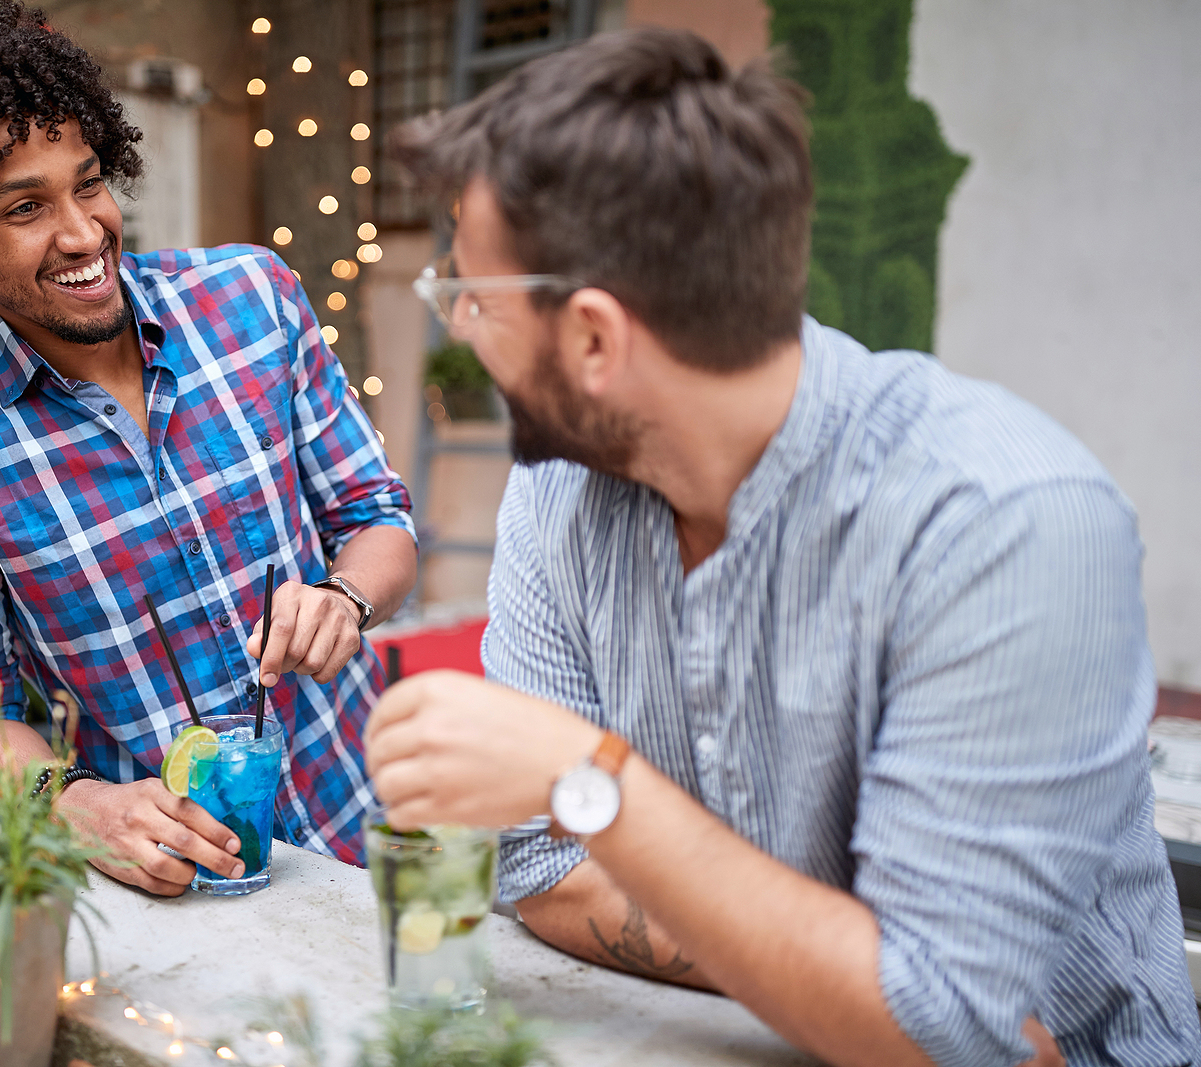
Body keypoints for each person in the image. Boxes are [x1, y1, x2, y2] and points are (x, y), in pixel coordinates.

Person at [363, 28, 1199, 1067]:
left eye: (474, 298)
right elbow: (538, 871)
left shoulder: (1004, 518)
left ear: (591, 337)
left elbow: (945, 1034)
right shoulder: (556, 495)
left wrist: (593, 781)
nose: (462, 329)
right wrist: (833, 983)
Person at [0, 0, 416, 894]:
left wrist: (345, 597)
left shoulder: (253, 298)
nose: (83, 233)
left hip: (371, 821)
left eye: (90, 182)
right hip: (168, 891)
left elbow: (379, 519)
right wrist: (73, 806)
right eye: (26, 206)